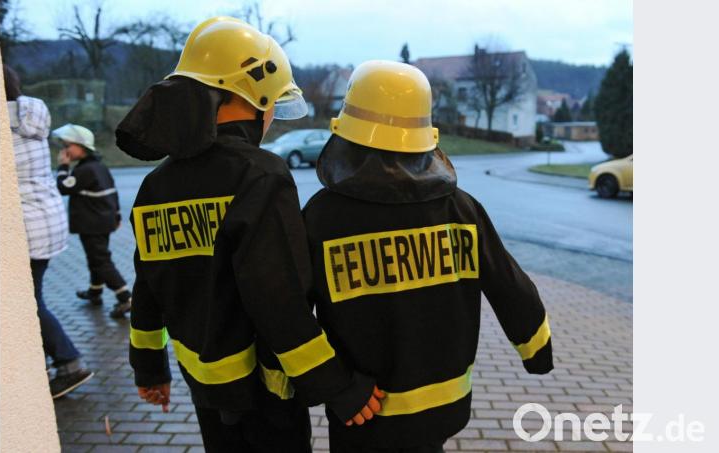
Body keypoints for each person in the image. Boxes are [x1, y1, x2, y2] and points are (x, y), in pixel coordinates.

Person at [115, 17, 384, 453]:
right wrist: (337, 387)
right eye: (273, 102)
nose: (274, 114)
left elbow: (148, 285)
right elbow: (279, 297)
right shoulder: (260, 175)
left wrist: (149, 369)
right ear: (254, 92)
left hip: (204, 386)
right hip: (266, 396)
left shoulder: (154, 187)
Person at [302, 60, 554, 452]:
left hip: (363, 409)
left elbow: (293, 313)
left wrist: (326, 384)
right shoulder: (462, 209)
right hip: (444, 408)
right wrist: (536, 350)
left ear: (347, 132)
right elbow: (510, 286)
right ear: (425, 134)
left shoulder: (321, 217)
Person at [4, 65, 94, 398]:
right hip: (45, 219)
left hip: (26, 226)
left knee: (27, 302)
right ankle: (41, 363)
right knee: (27, 297)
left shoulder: (1, 127)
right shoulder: (33, 115)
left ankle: (69, 363)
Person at [53, 124, 132, 318]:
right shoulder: (98, 166)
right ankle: (95, 291)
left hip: (92, 224)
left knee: (100, 260)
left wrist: (63, 166)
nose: (65, 150)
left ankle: (126, 298)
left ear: (82, 147)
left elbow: (63, 187)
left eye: (68, 145)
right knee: (95, 258)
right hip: (102, 222)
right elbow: (112, 192)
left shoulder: (85, 170)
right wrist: (117, 216)